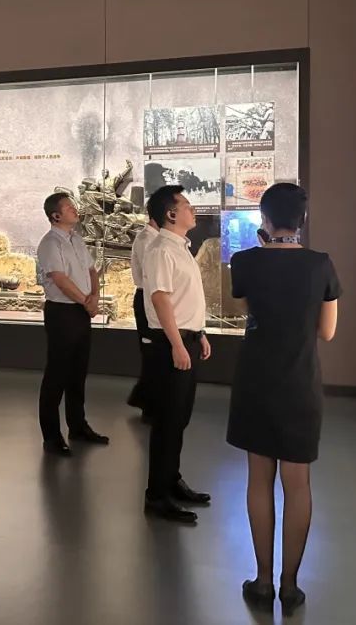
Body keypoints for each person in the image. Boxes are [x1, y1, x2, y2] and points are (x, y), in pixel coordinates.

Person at [227, 183, 340, 617]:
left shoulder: (244, 261)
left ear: (265, 218)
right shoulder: (320, 264)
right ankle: (290, 588)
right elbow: (327, 332)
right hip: (299, 383)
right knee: (298, 484)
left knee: (259, 480)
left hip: (256, 382)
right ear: (302, 219)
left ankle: (262, 581)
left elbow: (246, 312)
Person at [142, 185, 212, 523]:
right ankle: (156, 495)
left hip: (187, 340)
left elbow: (185, 299)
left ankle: (172, 481)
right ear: (170, 214)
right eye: (186, 205)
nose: (192, 209)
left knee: (179, 419)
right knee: (167, 422)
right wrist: (178, 344)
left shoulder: (180, 247)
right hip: (172, 344)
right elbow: (160, 299)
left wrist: (199, 334)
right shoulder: (160, 250)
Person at [36, 192, 107, 456]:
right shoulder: (50, 243)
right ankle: (51, 436)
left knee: (78, 372)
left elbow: (91, 270)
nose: (74, 209)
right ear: (55, 215)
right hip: (62, 312)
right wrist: (87, 302)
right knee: (57, 374)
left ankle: (78, 426)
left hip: (80, 311)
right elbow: (60, 279)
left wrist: (94, 296)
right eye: (68, 207)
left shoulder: (76, 239)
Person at [126, 217, 159, 419]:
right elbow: (151, 275)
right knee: (151, 351)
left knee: (154, 352)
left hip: (151, 296)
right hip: (148, 296)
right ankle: (148, 403)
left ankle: (147, 399)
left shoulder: (155, 239)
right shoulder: (147, 239)